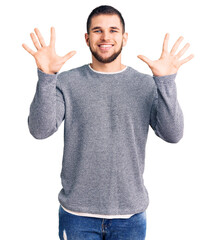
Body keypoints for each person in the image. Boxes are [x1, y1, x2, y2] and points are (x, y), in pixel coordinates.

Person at [22, 5, 193, 240]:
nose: (105, 37)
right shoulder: (67, 82)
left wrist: (165, 82)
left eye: (113, 30)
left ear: (124, 37)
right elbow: (40, 130)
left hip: (130, 216)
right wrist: (46, 77)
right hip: (76, 215)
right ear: (87, 38)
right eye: (97, 30)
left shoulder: (145, 85)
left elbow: (173, 134)